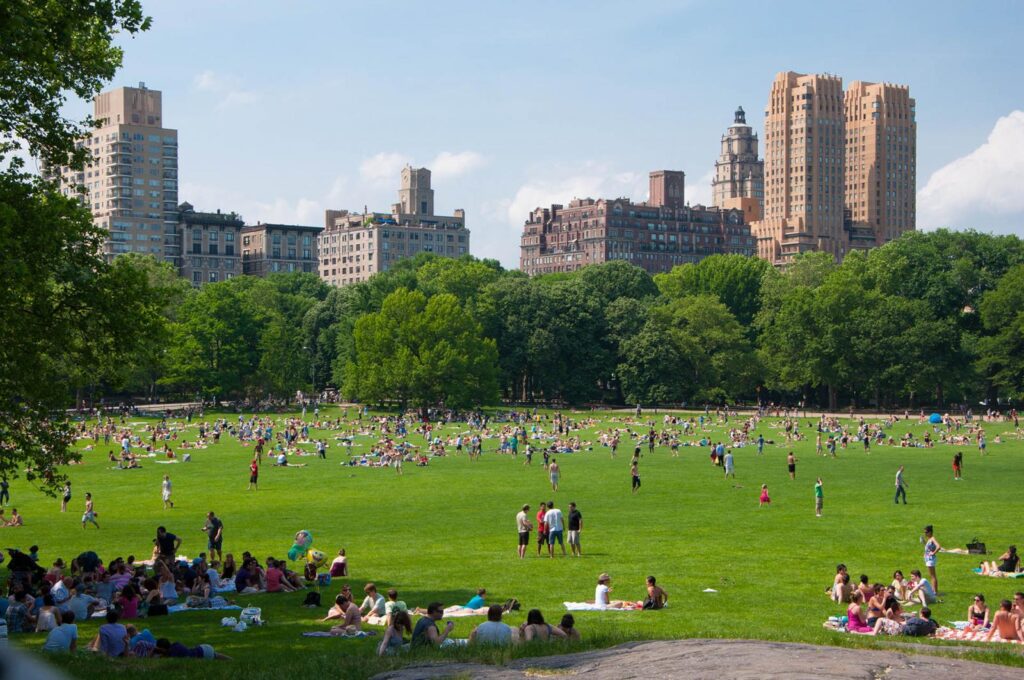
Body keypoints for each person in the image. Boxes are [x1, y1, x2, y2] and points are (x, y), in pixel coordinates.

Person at [921, 525, 941, 593]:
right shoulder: (930, 539)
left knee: (932, 576)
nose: (925, 534)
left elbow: (938, 546)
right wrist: (924, 542)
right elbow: (929, 548)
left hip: (930, 559)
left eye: (926, 532)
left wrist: (933, 553)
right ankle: (934, 590)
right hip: (928, 559)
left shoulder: (932, 538)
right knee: (931, 576)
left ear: (930, 532)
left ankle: (935, 591)